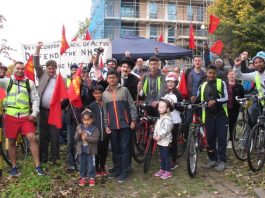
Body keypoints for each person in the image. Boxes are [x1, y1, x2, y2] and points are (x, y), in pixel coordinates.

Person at [0, 61, 45, 176]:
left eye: (22, 69)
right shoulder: (7, 81)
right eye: (17, 68)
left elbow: (35, 99)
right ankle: (14, 167)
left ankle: (38, 166)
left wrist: (34, 113)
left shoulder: (29, 83)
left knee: (33, 138)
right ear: (13, 69)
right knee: (11, 141)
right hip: (10, 116)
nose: (20, 70)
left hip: (26, 116)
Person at [34, 42, 68, 164]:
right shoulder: (42, 74)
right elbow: (36, 65)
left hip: (55, 111)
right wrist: (37, 49)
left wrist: (63, 104)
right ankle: (43, 158)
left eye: (53, 68)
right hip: (42, 111)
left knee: (55, 135)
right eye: (49, 68)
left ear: (56, 68)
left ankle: (55, 158)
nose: (51, 70)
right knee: (43, 135)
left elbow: (66, 95)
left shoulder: (62, 79)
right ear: (46, 68)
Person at [103, 70, 137, 183]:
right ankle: (117, 169)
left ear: (117, 79)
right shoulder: (105, 94)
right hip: (112, 126)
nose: (112, 79)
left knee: (125, 148)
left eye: (114, 77)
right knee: (115, 148)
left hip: (125, 125)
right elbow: (105, 111)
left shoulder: (124, 90)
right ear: (107, 79)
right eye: (110, 77)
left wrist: (133, 120)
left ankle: (125, 171)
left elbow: (132, 105)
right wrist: (106, 124)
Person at [197, 65, 228, 171]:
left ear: (216, 74)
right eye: (210, 73)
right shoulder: (202, 85)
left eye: (213, 73)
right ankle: (212, 160)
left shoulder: (221, 83)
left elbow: (226, 98)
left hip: (221, 115)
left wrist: (215, 101)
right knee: (210, 140)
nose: (211, 75)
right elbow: (198, 100)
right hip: (208, 116)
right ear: (206, 73)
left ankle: (222, 161)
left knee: (221, 139)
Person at [234, 51, 265, 125]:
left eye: (260, 61)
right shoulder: (255, 75)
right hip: (261, 102)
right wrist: (237, 66)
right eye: (256, 62)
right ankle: (254, 132)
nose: (258, 64)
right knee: (252, 112)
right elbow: (239, 76)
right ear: (254, 65)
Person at [162, 72, 183, 169]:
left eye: (172, 82)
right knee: (166, 139)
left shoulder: (178, 94)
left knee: (173, 140)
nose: (170, 84)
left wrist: (174, 105)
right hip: (165, 120)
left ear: (175, 83)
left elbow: (182, 108)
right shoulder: (165, 93)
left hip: (174, 120)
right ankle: (166, 157)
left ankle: (174, 160)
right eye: (168, 82)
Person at [75, 109, 99, 187]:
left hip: (90, 151)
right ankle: (83, 177)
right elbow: (76, 138)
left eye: (88, 120)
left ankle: (91, 177)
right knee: (82, 165)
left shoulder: (94, 129)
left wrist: (87, 138)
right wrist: (79, 134)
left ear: (92, 119)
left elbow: (96, 139)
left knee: (91, 165)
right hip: (81, 151)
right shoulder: (80, 127)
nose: (86, 122)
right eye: (84, 120)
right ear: (82, 120)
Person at [89, 85, 109, 177]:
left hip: (105, 133)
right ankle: (96, 168)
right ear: (93, 94)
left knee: (104, 151)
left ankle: (103, 167)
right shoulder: (91, 106)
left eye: (100, 93)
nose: (98, 95)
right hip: (96, 134)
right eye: (96, 93)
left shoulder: (106, 104)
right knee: (96, 152)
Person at [153, 98, 174, 179]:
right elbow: (156, 127)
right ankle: (162, 169)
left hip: (165, 141)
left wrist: (159, 136)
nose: (159, 109)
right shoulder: (160, 117)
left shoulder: (167, 119)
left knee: (165, 155)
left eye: (162, 107)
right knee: (161, 155)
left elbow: (166, 130)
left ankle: (168, 171)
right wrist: (155, 134)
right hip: (160, 140)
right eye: (159, 107)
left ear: (167, 109)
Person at [226, 69, 244, 146]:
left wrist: (241, 106)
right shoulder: (225, 85)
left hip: (235, 107)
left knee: (232, 123)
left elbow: (242, 96)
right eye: (230, 74)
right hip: (225, 107)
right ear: (227, 76)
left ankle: (231, 138)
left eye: (233, 74)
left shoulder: (239, 85)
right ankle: (224, 138)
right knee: (225, 123)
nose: (231, 76)